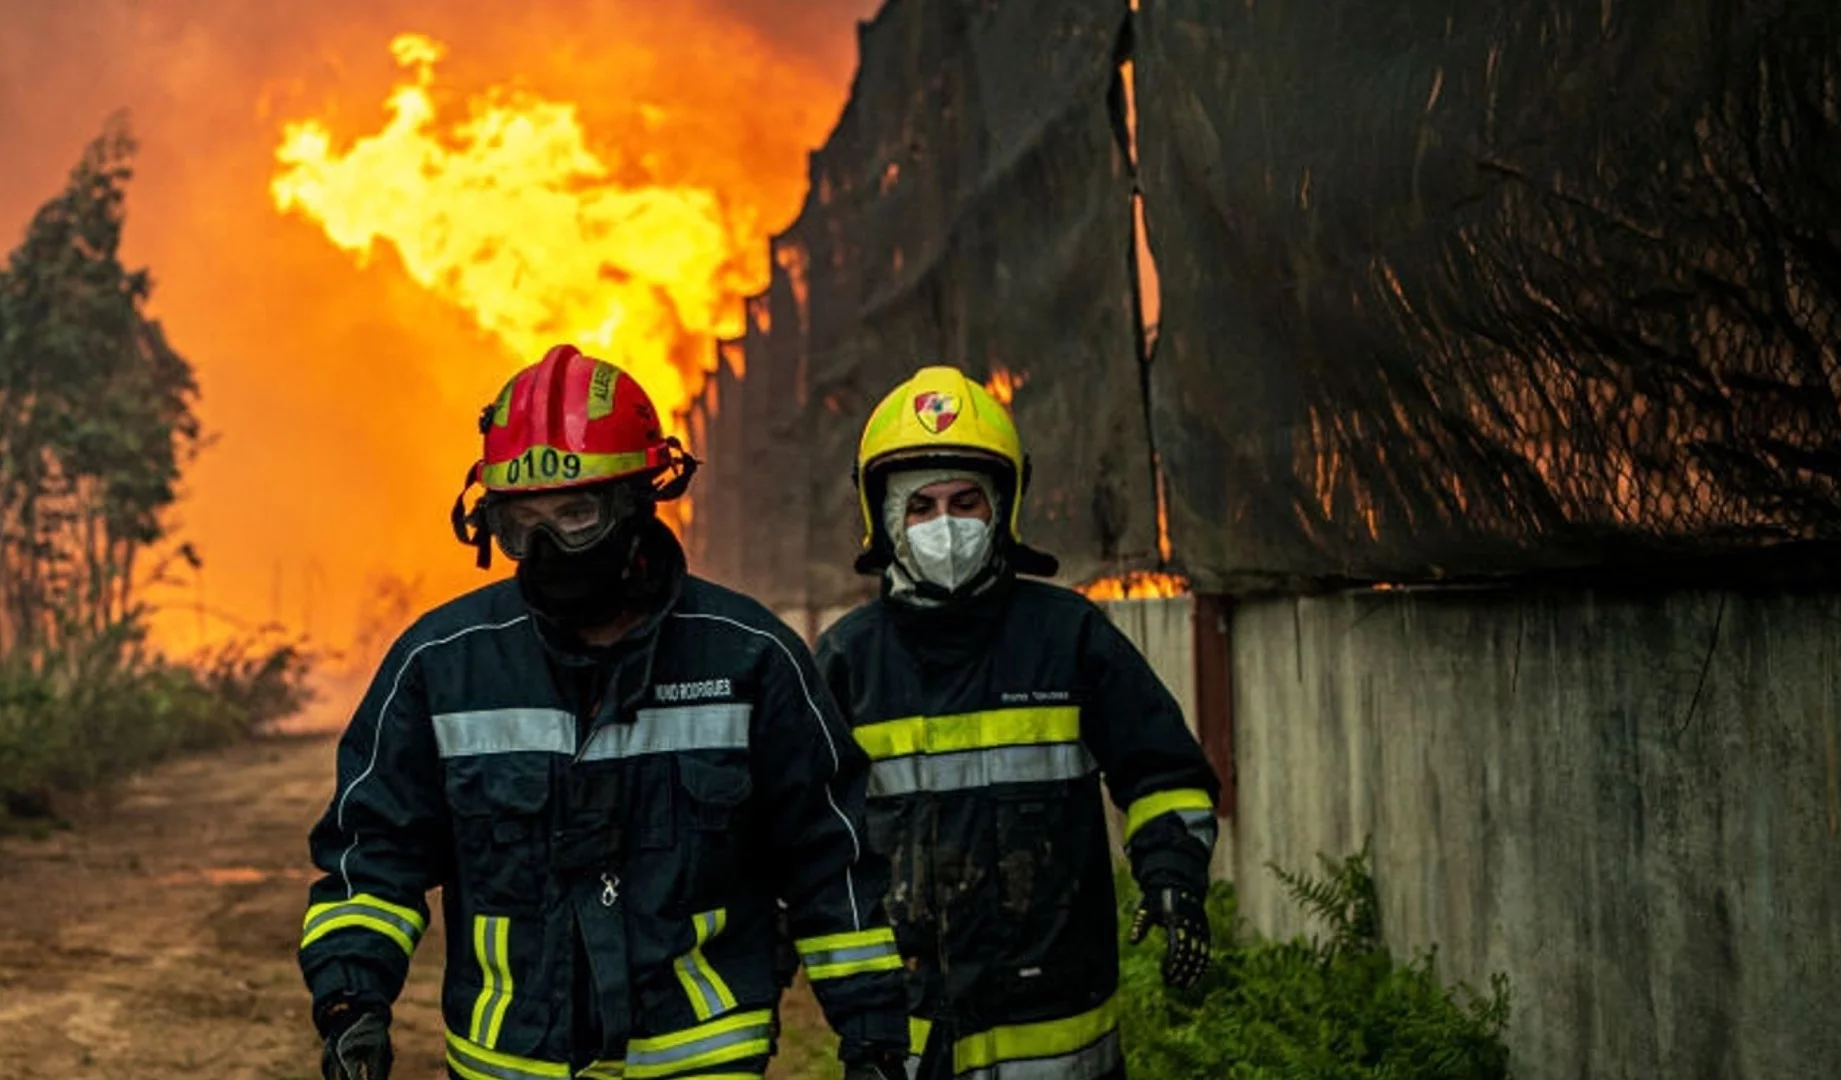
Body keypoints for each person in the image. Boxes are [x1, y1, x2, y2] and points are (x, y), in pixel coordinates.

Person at [298, 344, 910, 1080]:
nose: (550, 547)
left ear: (637, 503)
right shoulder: (441, 666)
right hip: (510, 1067)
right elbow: (372, 855)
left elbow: (830, 863)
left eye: (577, 513)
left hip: (698, 1066)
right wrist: (350, 1004)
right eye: (524, 523)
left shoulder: (749, 661)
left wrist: (873, 1037)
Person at [812, 366, 1220, 1079]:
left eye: (966, 502)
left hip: (1057, 1034)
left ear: (1003, 507)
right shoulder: (848, 660)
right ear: (886, 521)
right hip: (907, 1041)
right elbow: (803, 834)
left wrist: (1174, 873)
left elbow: (1162, 771)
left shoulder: (1069, 638)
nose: (947, 526)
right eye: (923, 506)